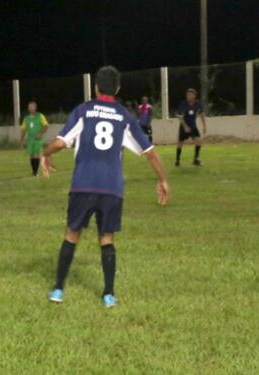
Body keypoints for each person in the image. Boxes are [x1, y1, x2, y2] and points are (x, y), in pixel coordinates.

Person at [40, 66, 170, 308]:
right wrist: (163, 179)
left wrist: (44, 153)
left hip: (83, 185)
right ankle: (108, 295)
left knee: (72, 234)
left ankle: (58, 290)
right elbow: (150, 152)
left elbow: (59, 143)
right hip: (111, 188)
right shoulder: (124, 116)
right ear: (118, 88)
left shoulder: (84, 110)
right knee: (106, 238)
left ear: (96, 87)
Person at [175, 88, 206, 166]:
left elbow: (202, 114)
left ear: (194, 96)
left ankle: (196, 159)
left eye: (190, 95)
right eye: (187, 94)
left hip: (193, 126)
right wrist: (185, 127)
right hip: (184, 126)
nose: (188, 96)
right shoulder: (183, 104)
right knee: (180, 143)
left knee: (199, 141)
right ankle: (177, 160)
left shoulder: (197, 104)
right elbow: (180, 116)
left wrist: (204, 125)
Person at [19, 100, 49, 176]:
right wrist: (21, 140)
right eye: (29, 107)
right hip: (30, 140)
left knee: (36, 154)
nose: (30, 108)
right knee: (31, 155)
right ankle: (34, 172)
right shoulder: (26, 119)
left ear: (35, 108)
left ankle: (35, 173)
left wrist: (40, 133)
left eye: (32, 107)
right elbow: (23, 130)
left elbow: (46, 126)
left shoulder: (40, 116)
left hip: (38, 140)